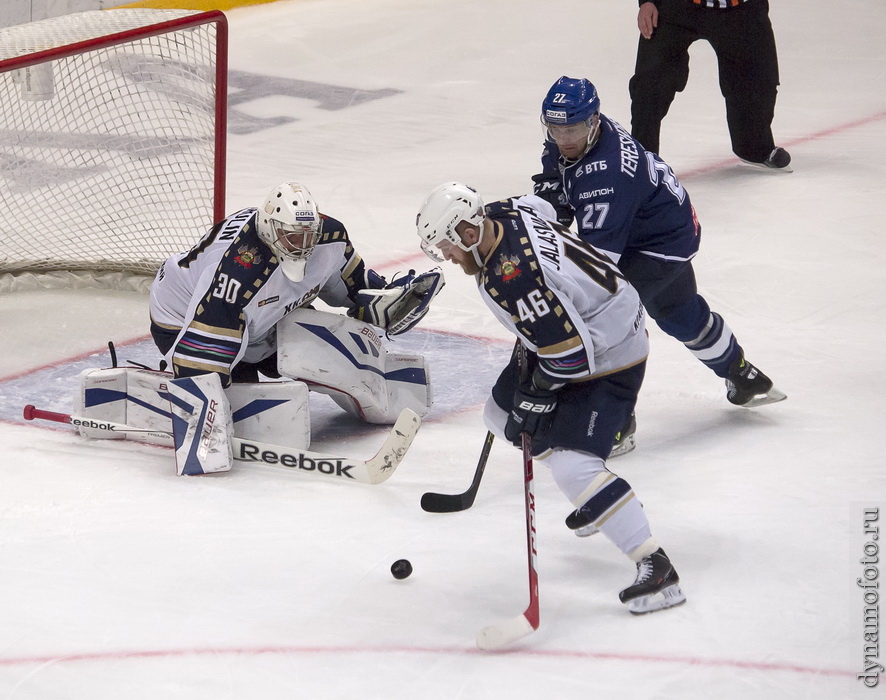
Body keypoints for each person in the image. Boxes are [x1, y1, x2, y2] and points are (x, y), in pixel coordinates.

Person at [415, 181, 686, 615]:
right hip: (582, 324)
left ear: (468, 232)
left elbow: (571, 357)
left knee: (571, 466)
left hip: (609, 350)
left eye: (447, 246)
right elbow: (545, 206)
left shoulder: (513, 277)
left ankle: (656, 567)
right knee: (498, 413)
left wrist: (537, 394)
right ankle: (600, 499)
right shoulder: (500, 213)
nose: (447, 256)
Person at [532, 76, 785, 446]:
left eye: (571, 128)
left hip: (659, 243)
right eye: (555, 128)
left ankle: (616, 423)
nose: (564, 138)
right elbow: (555, 183)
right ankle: (741, 373)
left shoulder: (607, 176)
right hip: (659, 225)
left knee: (605, 319)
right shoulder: (581, 136)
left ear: (593, 120)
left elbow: (596, 271)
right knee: (677, 311)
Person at [149, 181, 440, 387]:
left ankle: (369, 391)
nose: (302, 245)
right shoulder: (236, 273)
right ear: (269, 228)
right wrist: (205, 409)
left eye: (308, 235)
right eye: (292, 236)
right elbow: (200, 366)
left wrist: (388, 304)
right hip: (180, 319)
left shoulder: (330, 238)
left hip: (257, 323)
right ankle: (242, 371)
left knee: (321, 341)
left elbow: (356, 290)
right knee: (232, 380)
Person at [629, 0, 790, 170]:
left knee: (758, 82)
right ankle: (643, 160)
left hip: (740, 10)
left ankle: (754, 149)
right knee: (650, 80)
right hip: (677, 6)